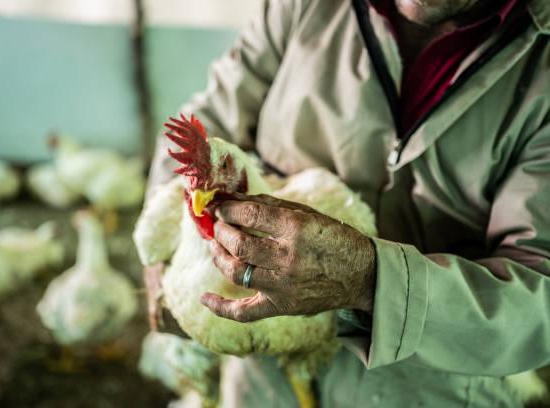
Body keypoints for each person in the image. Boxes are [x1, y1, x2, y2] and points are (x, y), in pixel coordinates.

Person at [144, 0, 550, 406]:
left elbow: (538, 302)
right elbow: (208, 123)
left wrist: (370, 281)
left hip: (429, 390)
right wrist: (166, 257)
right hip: (262, 385)